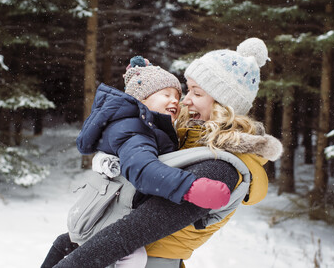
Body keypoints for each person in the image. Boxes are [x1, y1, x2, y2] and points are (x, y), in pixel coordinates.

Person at [50, 37, 283, 268]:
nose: (185, 101)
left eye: (197, 93)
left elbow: (132, 231)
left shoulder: (220, 168)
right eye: (187, 91)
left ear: (224, 104)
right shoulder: (182, 141)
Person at [41, 56, 231, 268]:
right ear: (141, 100)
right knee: (134, 258)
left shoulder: (142, 126)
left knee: (70, 244)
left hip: (100, 212)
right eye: (166, 94)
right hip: (108, 217)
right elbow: (143, 170)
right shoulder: (136, 132)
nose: (176, 100)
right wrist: (189, 187)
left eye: (177, 95)